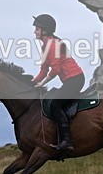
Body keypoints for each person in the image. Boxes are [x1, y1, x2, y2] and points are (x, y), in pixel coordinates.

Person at [31, 14, 85, 153]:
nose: (35, 31)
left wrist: (43, 82)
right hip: (69, 81)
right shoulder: (44, 47)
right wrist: (32, 83)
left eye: (37, 29)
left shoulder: (54, 44)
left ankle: (66, 141)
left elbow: (55, 69)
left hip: (75, 79)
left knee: (55, 104)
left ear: (45, 30)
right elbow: (43, 70)